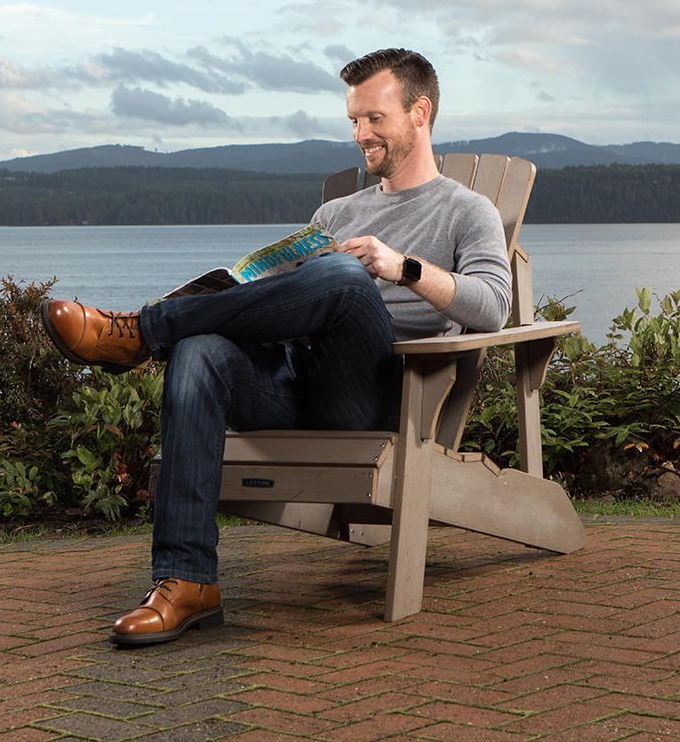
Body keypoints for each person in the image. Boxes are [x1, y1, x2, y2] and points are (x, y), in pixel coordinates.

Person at [40, 48, 512, 647]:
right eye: (353, 120)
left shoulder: (467, 210)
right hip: (300, 380)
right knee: (200, 349)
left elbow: (493, 306)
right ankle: (187, 581)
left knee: (345, 278)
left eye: (374, 118)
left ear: (420, 113)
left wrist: (402, 268)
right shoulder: (334, 213)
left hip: (378, 398)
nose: (360, 134)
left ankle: (140, 331)